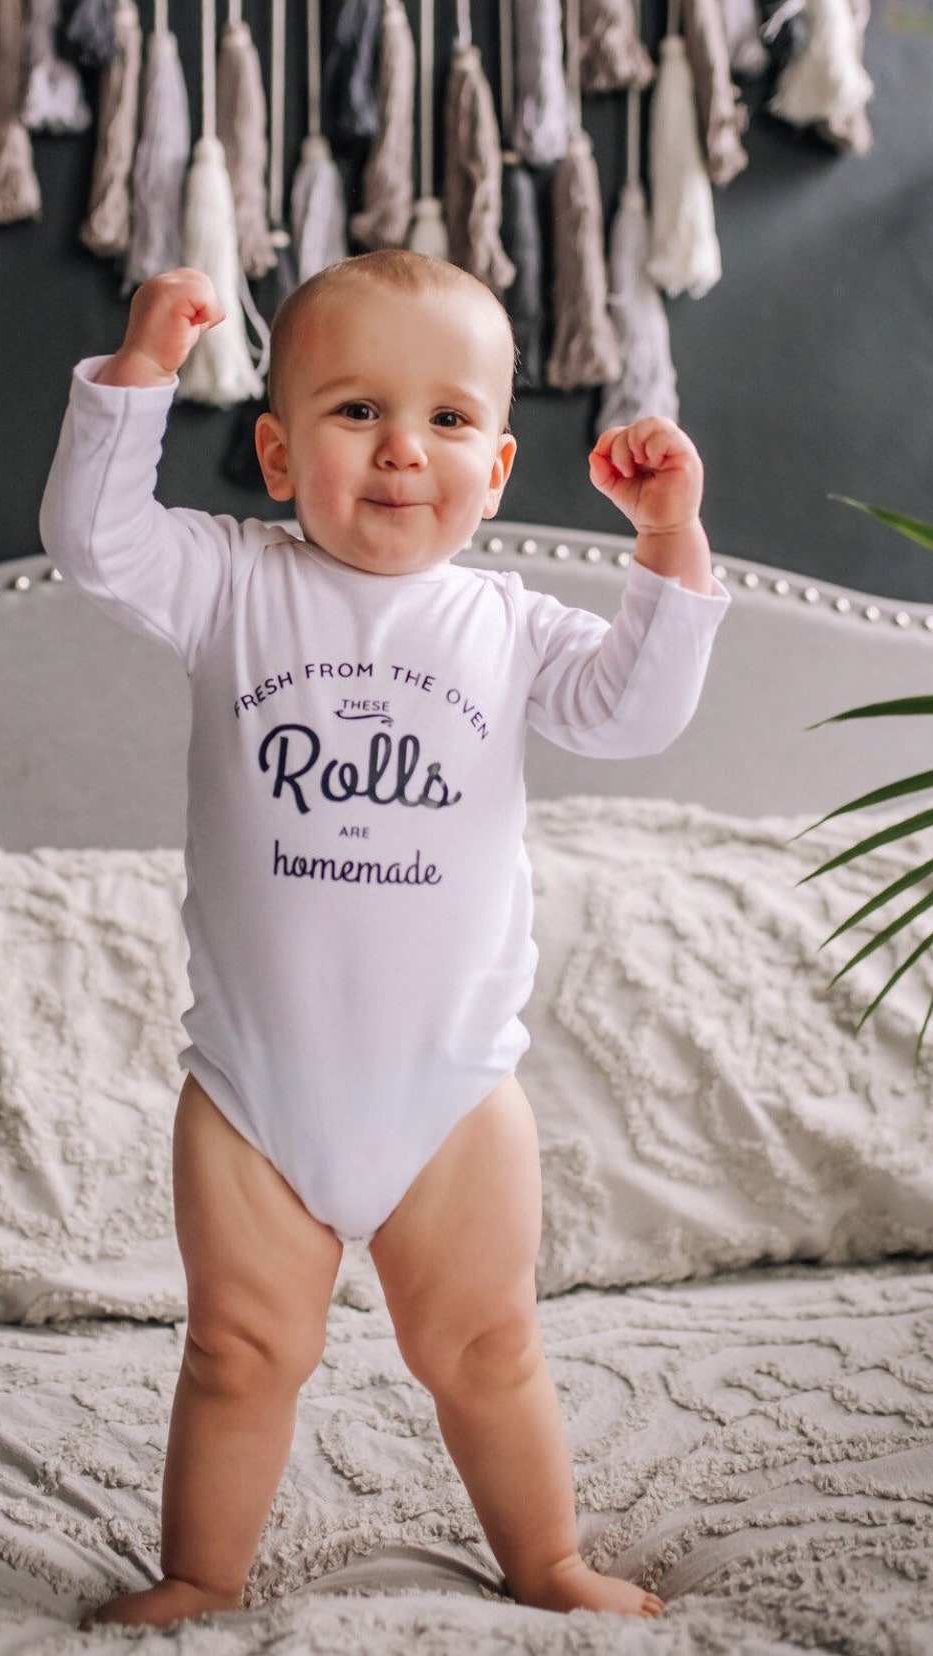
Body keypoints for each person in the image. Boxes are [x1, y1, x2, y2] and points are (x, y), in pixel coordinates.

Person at [39, 250, 729, 1630]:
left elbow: (632, 712)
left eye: (449, 419)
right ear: (278, 455)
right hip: (254, 1092)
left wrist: (668, 544)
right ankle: (201, 1574)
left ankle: (547, 1561)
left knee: (489, 1347)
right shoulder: (228, 582)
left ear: (499, 466)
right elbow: (96, 542)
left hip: (451, 1092)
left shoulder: (510, 627)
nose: (404, 448)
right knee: (237, 1353)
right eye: (357, 411)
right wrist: (141, 373)